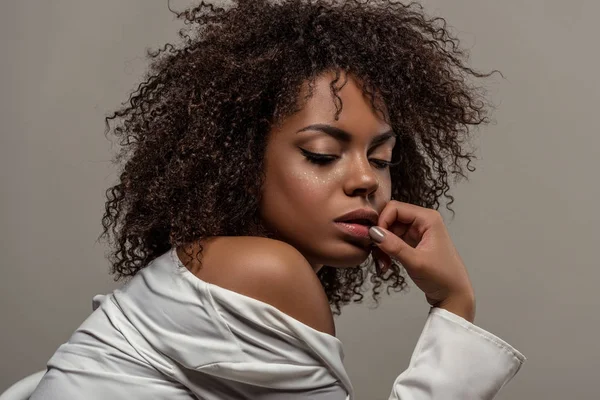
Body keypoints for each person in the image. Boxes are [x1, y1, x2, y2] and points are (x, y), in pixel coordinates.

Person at [30, 0, 525, 398]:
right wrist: (453, 303)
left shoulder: (217, 269)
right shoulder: (264, 270)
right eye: (321, 154)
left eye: (381, 159)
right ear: (241, 162)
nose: (365, 181)